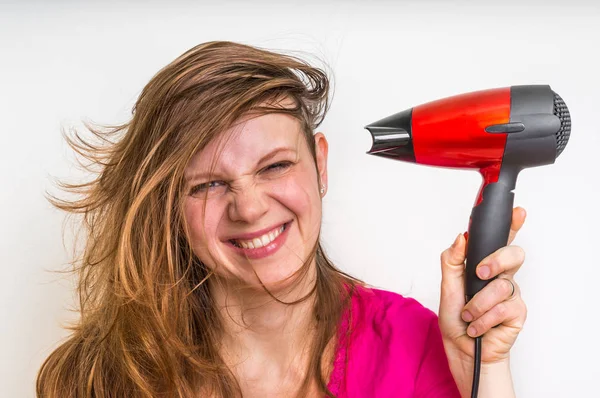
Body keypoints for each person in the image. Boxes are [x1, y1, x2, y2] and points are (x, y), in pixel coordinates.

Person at [37, 41, 528, 398]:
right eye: (207, 184)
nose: (248, 208)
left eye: (275, 166)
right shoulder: (100, 378)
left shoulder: (413, 346)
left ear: (321, 164)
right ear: (170, 206)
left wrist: (483, 373)